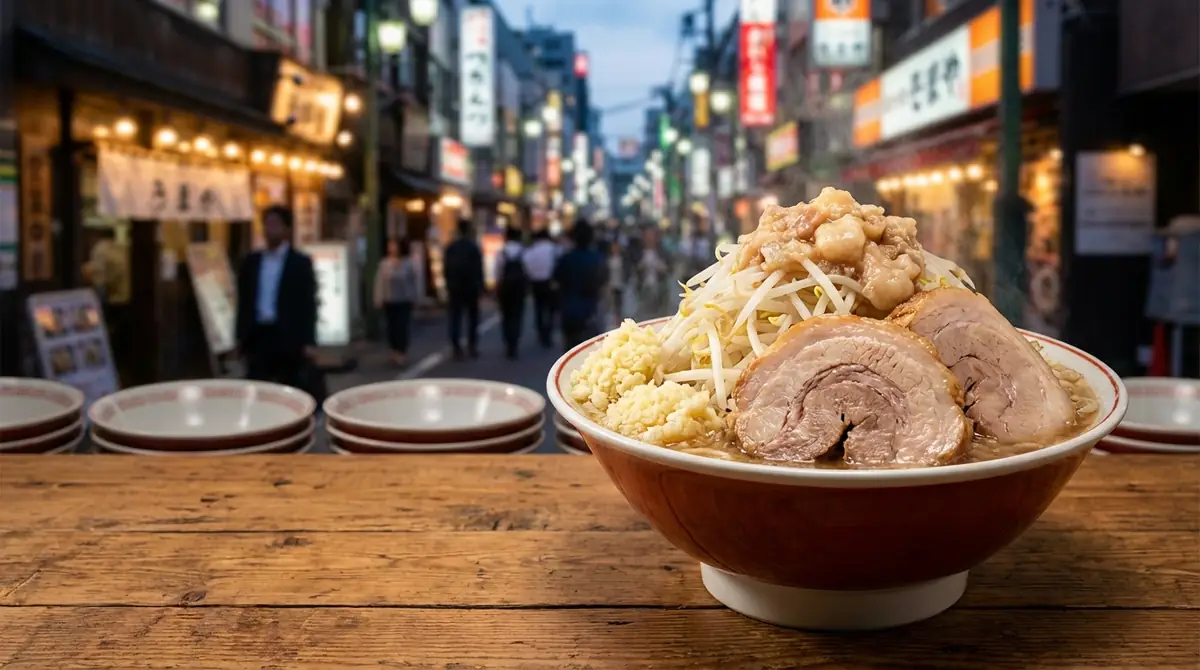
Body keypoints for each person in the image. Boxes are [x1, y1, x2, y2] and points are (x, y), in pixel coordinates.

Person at [235, 205, 318, 389]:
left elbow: (308, 303)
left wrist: (309, 341)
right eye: (266, 224)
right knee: (257, 388)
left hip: (288, 334)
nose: (269, 229)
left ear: (287, 229)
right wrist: (240, 337)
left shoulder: (300, 263)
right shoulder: (252, 262)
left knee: (290, 388)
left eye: (274, 224)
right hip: (258, 334)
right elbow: (244, 301)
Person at [553, 220, 608, 350]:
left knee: (570, 352)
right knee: (589, 352)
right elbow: (603, 282)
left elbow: (556, 281)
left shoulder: (565, 259)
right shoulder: (597, 258)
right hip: (590, 311)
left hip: (568, 310)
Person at [442, 218, 484, 360]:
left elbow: (446, 268)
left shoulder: (451, 247)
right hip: (471, 286)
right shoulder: (473, 247)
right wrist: (480, 285)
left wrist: (448, 283)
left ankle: (456, 347)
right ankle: (472, 345)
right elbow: (479, 268)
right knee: (472, 318)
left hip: (455, 287)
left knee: (455, 317)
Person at [373, 238, 419, 366]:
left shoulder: (408, 263)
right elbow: (379, 282)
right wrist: (378, 298)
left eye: (394, 245)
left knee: (402, 327)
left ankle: (401, 352)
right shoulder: (384, 263)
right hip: (389, 299)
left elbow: (413, 282)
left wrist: (415, 298)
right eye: (390, 246)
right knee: (391, 327)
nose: (392, 248)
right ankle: (393, 351)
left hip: (404, 299)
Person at [495, 226, 528, 360]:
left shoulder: (501, 252)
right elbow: (528, 271)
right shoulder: (524, 252)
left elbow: (497, 273)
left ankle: (507, 342)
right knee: (517, 315)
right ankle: (514, 342)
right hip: (519, 289)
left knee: (506, 315)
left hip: (505, 288)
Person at [522, 228, 558, 348]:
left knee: (539, 308)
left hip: (536, 283)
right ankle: (548, 333)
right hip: (550, 283)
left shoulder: (530, 250)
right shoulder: (553, 249)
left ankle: (541, 333)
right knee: (550, 310)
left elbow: (525, 265)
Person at [607, 239, 626, 327]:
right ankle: (614, 322)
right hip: (611, 284)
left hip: (620, 284)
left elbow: (625, 271)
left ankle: (620, 321)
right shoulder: (608, 259)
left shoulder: (622, 259)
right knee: (612, 305)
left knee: (620, 305)